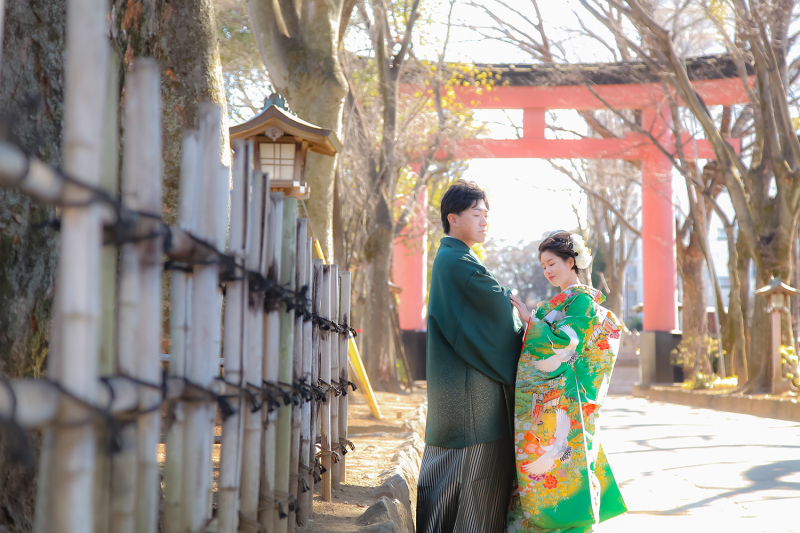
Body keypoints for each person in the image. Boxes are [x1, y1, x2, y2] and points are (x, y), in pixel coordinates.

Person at [417, 180, 526, 533]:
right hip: (470, 395)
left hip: (460, 390)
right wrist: (515, 305)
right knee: (474, 481)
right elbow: (498, 308)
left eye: (487, 215)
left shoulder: (456, 257)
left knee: (453, 478)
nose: (484, 221)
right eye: (476, 214)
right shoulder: (457, 261)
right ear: (453, 218)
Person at [507, 231, 627, 533]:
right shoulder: (559, 303)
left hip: (568, 401)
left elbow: (566, 345)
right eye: (543, 266)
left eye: (552, 263)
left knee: (564, 465)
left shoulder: (582, 301)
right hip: (558, 399)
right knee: (548, 462)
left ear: (571, 261)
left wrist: (530, 322)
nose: (547, 270)